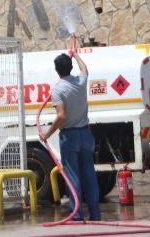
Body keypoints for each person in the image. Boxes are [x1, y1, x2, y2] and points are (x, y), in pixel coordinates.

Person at [39, 49, 100, 221]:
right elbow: (85, 70)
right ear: (70, 67)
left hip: (70, 136)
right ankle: (95, 213)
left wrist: (47, 134)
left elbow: (61, 116)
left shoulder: (58, 89)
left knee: (72, 176)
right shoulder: (80, 81)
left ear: (56, 70)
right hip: (86, 134)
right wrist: (76, 55)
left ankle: (77, 214)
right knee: (89, 173)